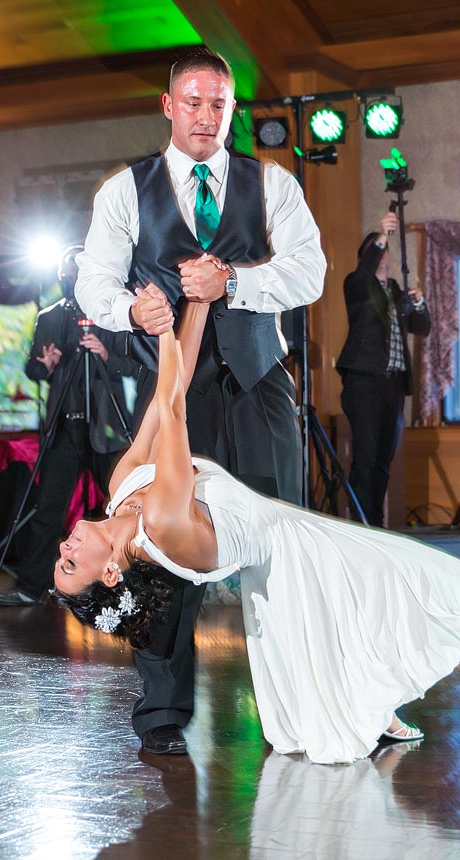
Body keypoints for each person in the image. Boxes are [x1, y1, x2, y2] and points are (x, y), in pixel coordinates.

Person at [50, 295, 460, 765]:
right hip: (302, 561)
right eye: (71, 564)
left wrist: (199, 303)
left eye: (60, 555)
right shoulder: (159, 519)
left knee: (454, 604)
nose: (66, 545)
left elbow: (168, 398)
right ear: (111, 572)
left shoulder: (124, 487)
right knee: (457, 604)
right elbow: (177, 406)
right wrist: (163, 329)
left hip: (300, 550)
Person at [73, 48, 326, 755]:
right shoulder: (126, 189)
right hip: (173, 390)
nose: (206, 117)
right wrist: (132, 310)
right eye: (193, 102)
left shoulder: (270, 183)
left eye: (219, 104)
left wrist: (235, 286)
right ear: (167, 105)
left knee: (279, 542)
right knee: (160, 546)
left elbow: (309, 271)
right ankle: (161, 713)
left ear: (233, 109)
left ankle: (299, 705)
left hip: (259, 380)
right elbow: (94, 281)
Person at [0, 248, 139, 606]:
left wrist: (105, 355)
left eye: (76, 271)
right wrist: (46, 364)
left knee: (120, 507)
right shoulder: (50, 315)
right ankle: (31, 587)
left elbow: (133, 365)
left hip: (106, 428)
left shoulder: (112, 310)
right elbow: (34, 369)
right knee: (49, 509)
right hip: (64, 427)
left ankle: (123, 584)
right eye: (65, 273)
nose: (70, 278)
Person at [337, 212, 430, 526]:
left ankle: (374, 521)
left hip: (392, 384)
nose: (386, 255)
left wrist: (419, 304)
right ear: (368, 255)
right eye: (380, 251)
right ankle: (360, 521)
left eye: (387, 251)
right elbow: (363, 273)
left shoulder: (395, 290)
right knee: (365, 455)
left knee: (383, 458)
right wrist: (381, 235)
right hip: (364, 382)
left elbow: (422, 328)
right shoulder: (357, 285)